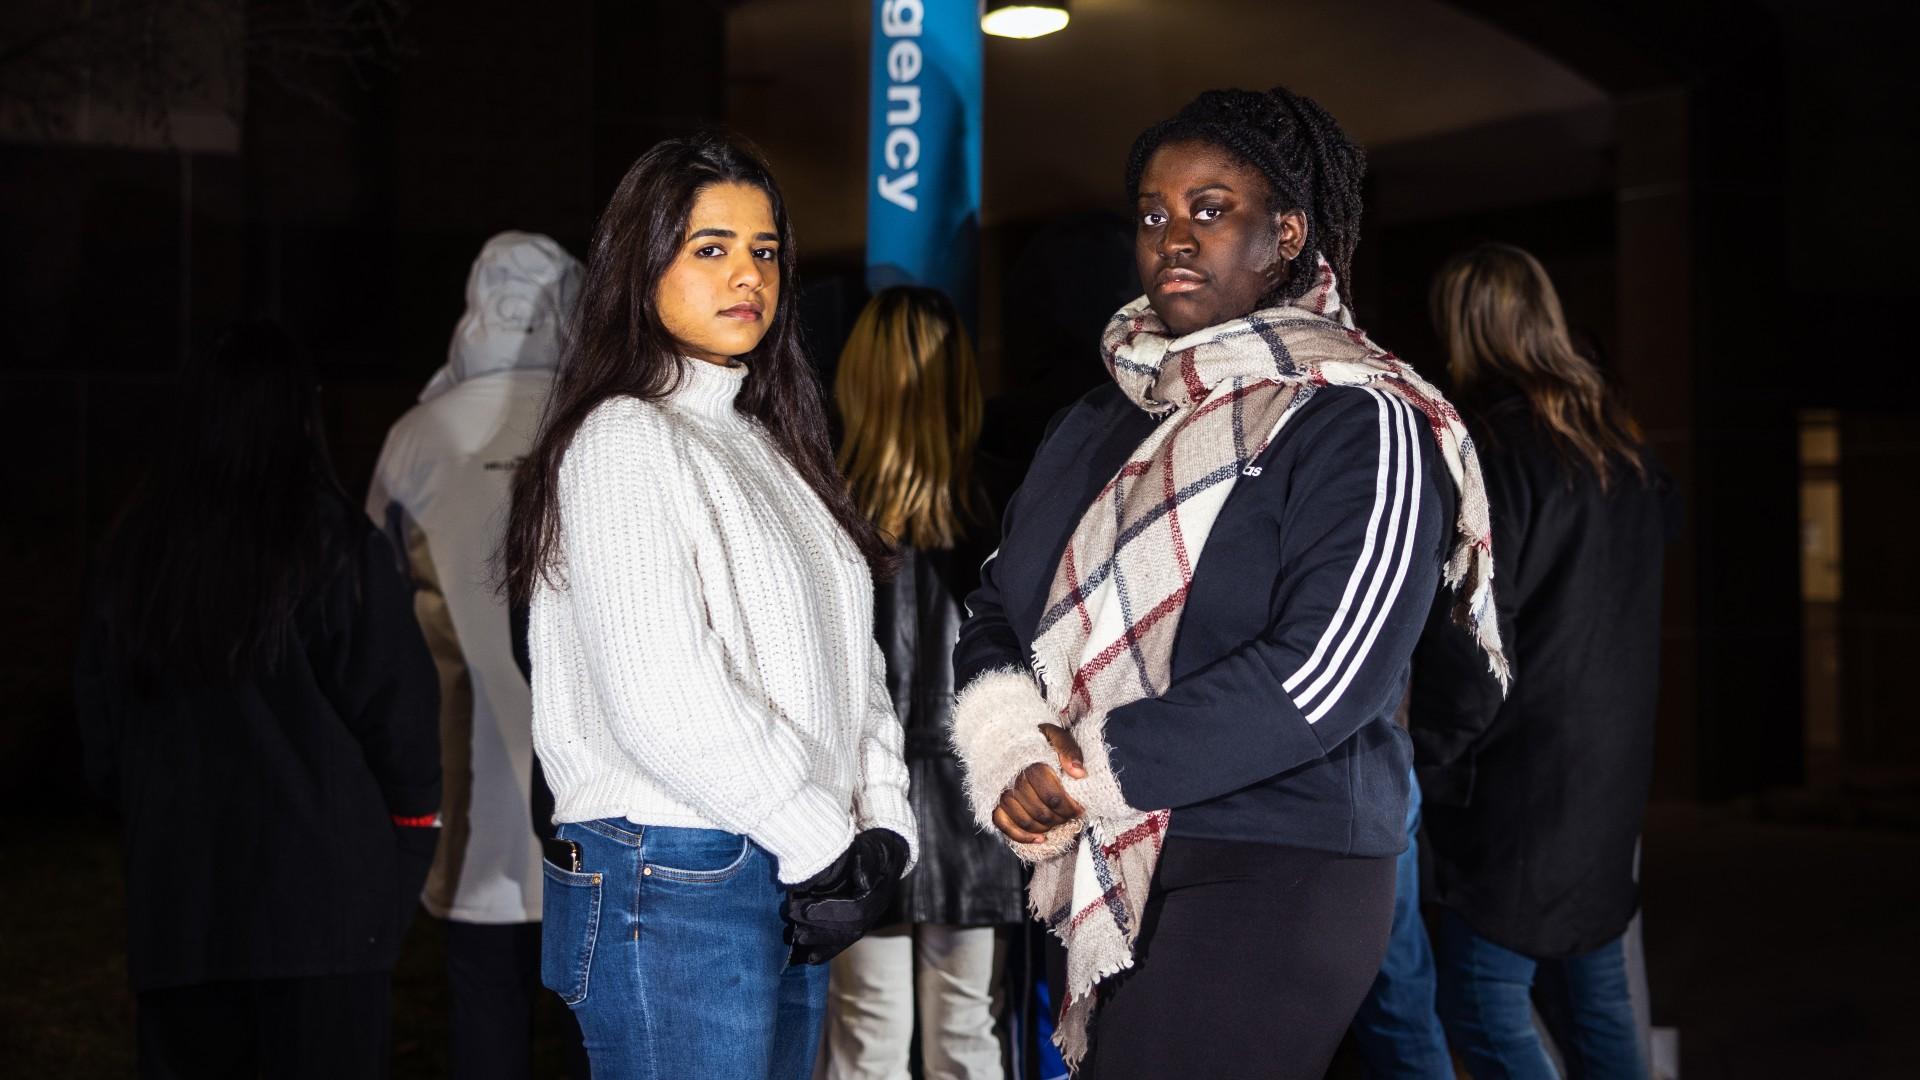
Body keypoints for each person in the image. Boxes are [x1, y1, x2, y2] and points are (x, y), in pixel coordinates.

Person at [949, 86, 1507, 1078]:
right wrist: (1007, 744)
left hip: (1278, 857)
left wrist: (1084, 767)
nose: (1174, 237)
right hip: (1107, 854)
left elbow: (1326, 674)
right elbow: (999, 604)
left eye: (1211, 210)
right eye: (1153, 215)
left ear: (1286, 234)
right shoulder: (1103, 417)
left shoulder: (1363, 418)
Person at [500, 131, 917, 1080]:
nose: (748, 275)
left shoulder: (767, 444)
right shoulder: (622, 438)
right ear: (640, 265)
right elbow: (663, 696)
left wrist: (883, 826)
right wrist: (824, 843)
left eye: (764, 250)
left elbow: (856, 664)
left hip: (781, 861)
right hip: (675, 870)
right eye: (710, 247)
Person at [75, 320, 441, 1079]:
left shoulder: (132, 551)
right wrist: (403, 857)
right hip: (324, 920)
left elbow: (103, 743)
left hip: (183, 917)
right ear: (300, 413)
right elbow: (401, 729)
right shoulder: (336, 544)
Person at [1412, 242, 1677, 1080]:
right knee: (1596, 996)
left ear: (1463, 328)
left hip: (1519, 773)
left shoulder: (1493, 450)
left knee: (1481, 1004)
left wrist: (1430, 755)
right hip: (1610, 767)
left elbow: (1473, 635)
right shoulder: (1623, 450)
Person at [367, 231, 584, 1079]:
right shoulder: (597, 423)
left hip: (467, 786)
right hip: (593, 797)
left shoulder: (415, 437)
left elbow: (375, 603)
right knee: (596, 1031)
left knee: (484, 1012)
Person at [821, 287, 1025, 1080]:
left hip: (856, 792)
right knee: (968, 1038)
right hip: (979, 789)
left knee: (866, 1039)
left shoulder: (819, 503)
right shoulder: (1007, 500)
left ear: (857, 379)